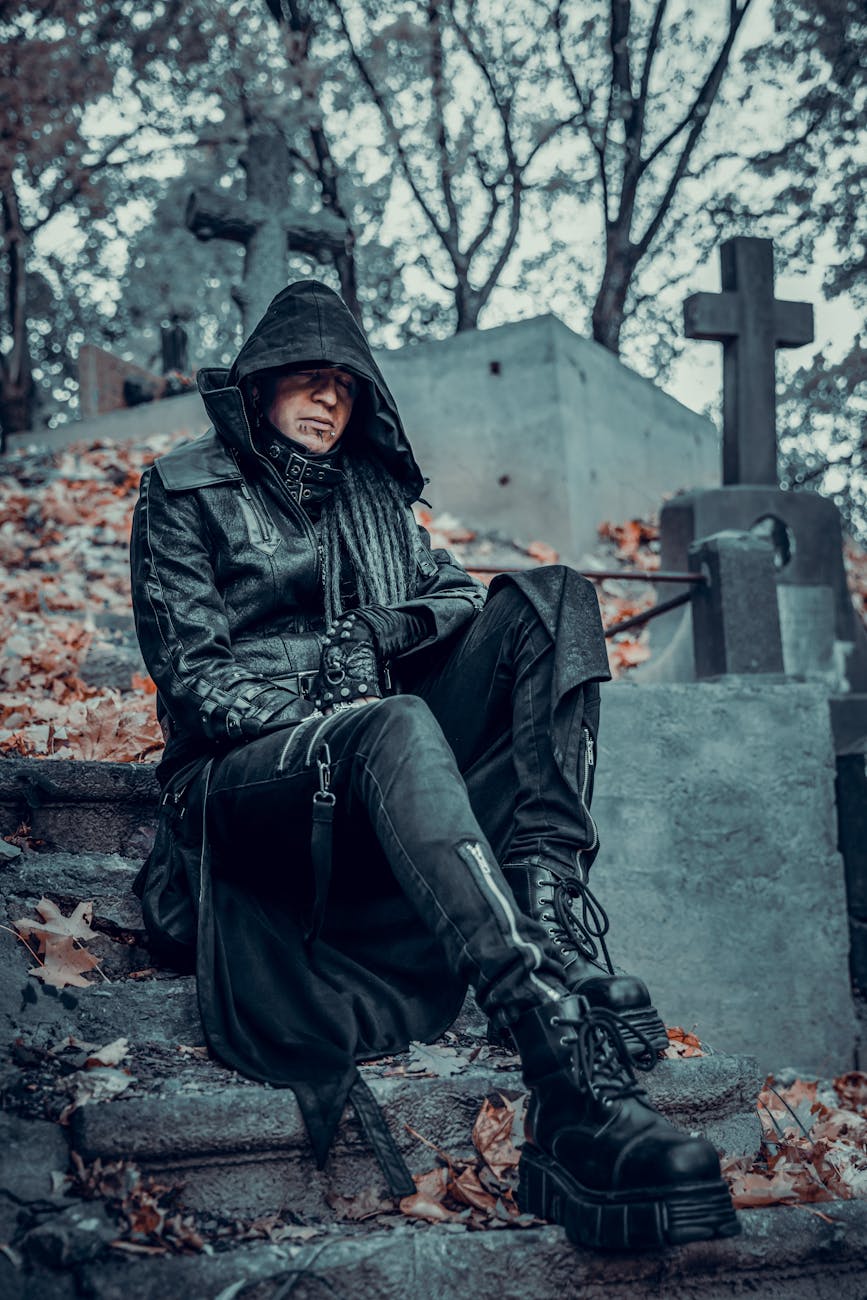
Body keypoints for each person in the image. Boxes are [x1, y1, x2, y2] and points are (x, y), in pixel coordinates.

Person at [129, 280, 739, 1252]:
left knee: (553, 600)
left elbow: (455, 596)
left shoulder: (373, 500)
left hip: (375, 769)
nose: (329, 399)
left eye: (345, 382)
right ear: (259, 383)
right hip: (243, 784)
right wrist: (326, 712)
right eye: (307, 379)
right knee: (393, 723)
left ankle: (547, 923)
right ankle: (559, 1071)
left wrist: (380, 625)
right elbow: (194, 682)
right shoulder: (183, 489)